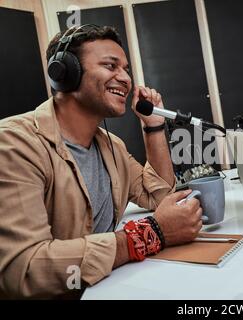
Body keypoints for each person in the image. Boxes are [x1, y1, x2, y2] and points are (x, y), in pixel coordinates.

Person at [0, 25, 203, 299]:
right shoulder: (14, 144)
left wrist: (153, 127)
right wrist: (147, 234)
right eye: (111, 66)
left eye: (126, 69)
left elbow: (157, 197)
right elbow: (24, 269)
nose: (125, 79)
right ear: (65, 74)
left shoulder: (111, 146)